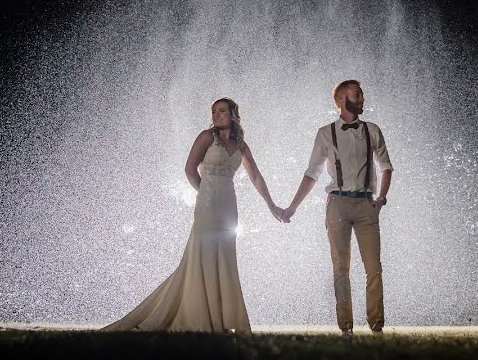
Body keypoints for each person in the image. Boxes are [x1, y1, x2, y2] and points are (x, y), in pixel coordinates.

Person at [102, 98, 284, 333]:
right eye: (214, 111)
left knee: (225, 259)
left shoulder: (241, 145)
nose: (217, 115)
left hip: (229, 205)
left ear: (233, 114)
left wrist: (272, 206)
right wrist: (205, 193)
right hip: (207, 203)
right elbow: (189, 169)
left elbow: (256, 177)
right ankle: (198, 317)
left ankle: (222, 319)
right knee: (202, 255)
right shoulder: (207, 137)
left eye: (222, 111)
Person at [281, 80, 393, 335]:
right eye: (358, 95)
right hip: (337, 204)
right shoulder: (325, 133)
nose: (363, 99)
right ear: (343, 99)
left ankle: (376, 328)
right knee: (340, 268)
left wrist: (381, 199)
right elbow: (312, 173)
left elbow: (386, 166)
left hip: (366, 204)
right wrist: (293, 206)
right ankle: (346, 329)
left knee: (373, 267)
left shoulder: (372, 130)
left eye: (362, 94)